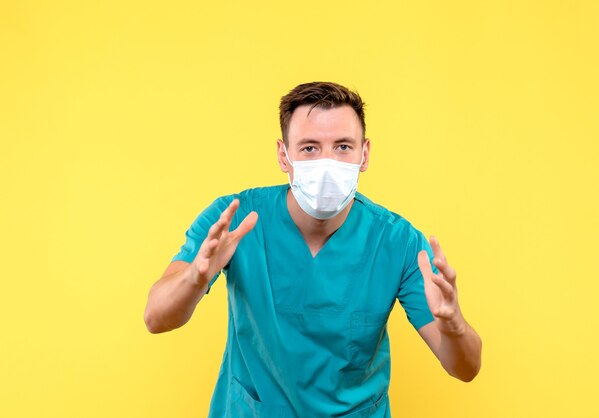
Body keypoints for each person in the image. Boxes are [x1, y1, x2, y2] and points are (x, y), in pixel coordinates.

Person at [144, 81, 482, 418]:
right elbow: (156, 318)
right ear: (283, 155)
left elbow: (465, 368)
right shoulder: (234, 221)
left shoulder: (398, 243)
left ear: (364, 154)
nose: (327, 163)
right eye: (309, 148)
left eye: (342, 147)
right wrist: (193, 278)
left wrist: (454, 327)